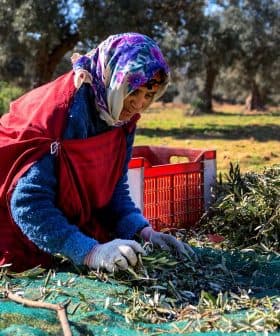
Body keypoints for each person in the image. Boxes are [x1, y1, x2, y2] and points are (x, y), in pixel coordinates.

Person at [0, 32, 194, 273]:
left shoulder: (120, 119)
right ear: (112, 77)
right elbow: (29, 205)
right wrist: (90, 252)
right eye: (132, 91)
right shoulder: (61, 118)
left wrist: (143, 231)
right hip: (15, 236)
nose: (139, 104)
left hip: (66, 231)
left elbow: (113, 190)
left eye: (149, 95)